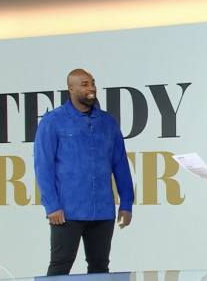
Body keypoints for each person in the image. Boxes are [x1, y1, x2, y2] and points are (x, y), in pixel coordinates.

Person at [33, 68, 134, 276]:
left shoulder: (108, 122)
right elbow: (43, 166)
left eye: (92, 83)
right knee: (60, 266)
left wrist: (126, 203)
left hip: (103, 210)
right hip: (67, 211)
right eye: (85, 84)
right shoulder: (53, 121)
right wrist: (51, 205)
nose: (91, 88)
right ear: (71, 89)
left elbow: (121, 165)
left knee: (100, 268)